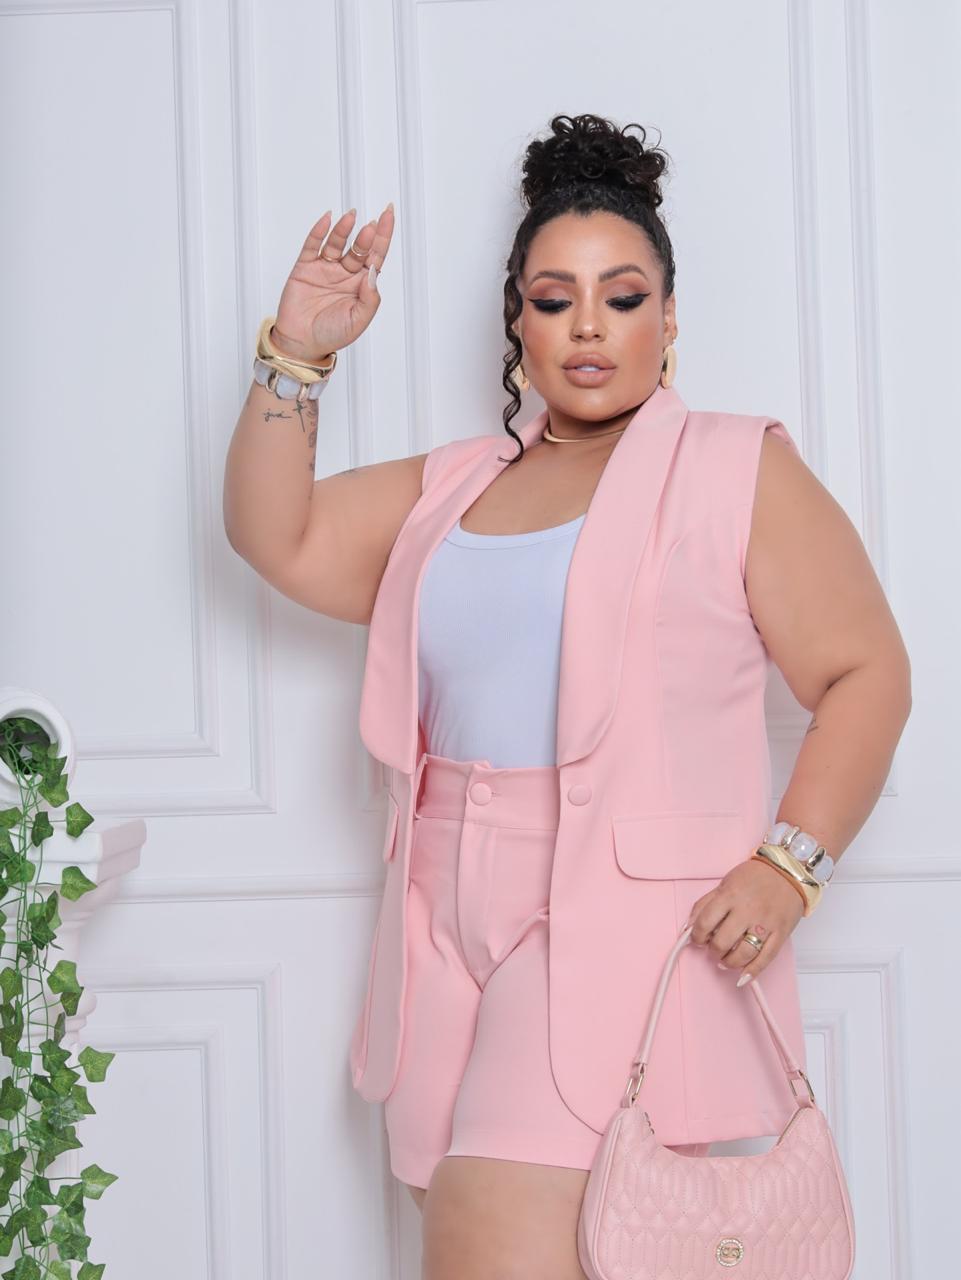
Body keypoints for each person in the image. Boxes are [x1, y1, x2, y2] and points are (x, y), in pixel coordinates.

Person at [223, 113, 911, 1277]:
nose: (588, 325)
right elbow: (273, 534)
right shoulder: (456, 484)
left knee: (483, 1242)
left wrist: (788, 866)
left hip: (619, 919)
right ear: (518, 321)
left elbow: (867, 671)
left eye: (623, 296)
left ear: (669, 318)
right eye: (553, 299)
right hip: (440, 917)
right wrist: (297, 352)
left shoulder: (735, 466)